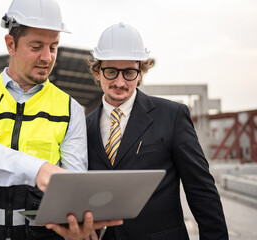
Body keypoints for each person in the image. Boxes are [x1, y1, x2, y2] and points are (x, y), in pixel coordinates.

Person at [0, 1, 121, 239]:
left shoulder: (70, 109)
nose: (47, 57)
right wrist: (38, 169)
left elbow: (72, 186)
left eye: (53, 47)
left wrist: (77, 224)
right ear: (11, 44)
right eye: (36, 46)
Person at [86, 23, 229, 240]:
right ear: (97, 72)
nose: (120, 82)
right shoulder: (84, 127)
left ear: (141, 73)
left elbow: (201, 190)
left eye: (130, 72)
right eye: (111, 71)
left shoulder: (172, 116)